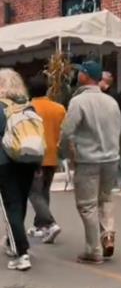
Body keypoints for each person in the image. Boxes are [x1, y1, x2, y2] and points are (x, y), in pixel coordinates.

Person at [60, 60, 121, 264]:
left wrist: (65, 153)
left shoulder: (78, 102)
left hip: (88, 160)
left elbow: (67, 131)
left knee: (87, 205)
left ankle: (93, 249)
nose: (78, 75)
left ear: (86, 76)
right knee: (106, 199)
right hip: (111, 158)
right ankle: (108, 234)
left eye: (81, 72)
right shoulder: (111, 102)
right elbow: (117, 130)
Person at [0, 69, 41, 271]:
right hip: (27, 161)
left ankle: (21, 253)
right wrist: (38, 164)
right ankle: (13, 242)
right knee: (20, 204)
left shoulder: (0, 108)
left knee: (11, 208)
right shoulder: (27, 105)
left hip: (5, 164)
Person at [26, 74, 66, 244]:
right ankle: (40, 225)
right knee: (44, 192)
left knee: (34, 193)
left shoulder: (28, 109)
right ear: (47, 89)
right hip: (52, 154)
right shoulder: (59, 108)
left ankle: (50, 223)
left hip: (34, 156)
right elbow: (64, 132)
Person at [100, 72, 121, 190]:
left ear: (104, 81)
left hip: (111, 126)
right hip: (110, 126)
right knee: (113, 152)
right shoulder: (106, 94)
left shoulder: (112, 95)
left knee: (112, 153)